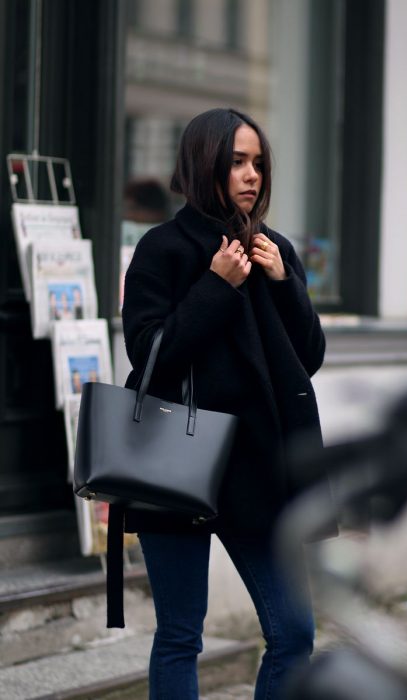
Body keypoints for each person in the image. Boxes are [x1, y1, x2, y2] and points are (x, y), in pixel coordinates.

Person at [117, 108, 335, 699]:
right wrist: (215, 286)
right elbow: (150, 359)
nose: (251, 176)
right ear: (203, 161)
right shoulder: (161, 249)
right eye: (237, 161)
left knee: (293, 636)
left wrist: (283, 284)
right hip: (172, 463)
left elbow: (308, 356)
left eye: (258, 163)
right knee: (181, 636)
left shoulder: (275, 249)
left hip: (259, 470)